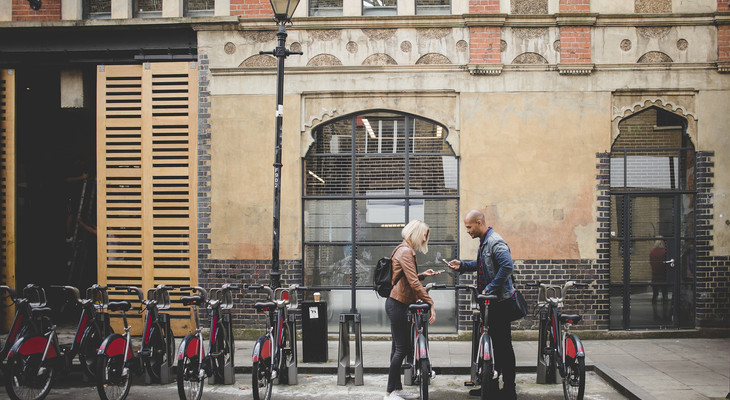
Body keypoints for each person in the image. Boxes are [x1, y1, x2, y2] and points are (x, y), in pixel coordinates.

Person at [444, 209, 517, 400]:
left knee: (503, 347)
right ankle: (489, 387)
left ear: (479, 222)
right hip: (489, 303)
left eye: (469, 226)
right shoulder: (484, 243)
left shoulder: (495, 241)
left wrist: (490, 288)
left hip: (499, 303)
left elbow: (507, 266)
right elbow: (483, 264)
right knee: (491, 346)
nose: (467, 230)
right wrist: (462, 265)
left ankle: (509, 389)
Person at [384, 219, 443, 400]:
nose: (425, 238)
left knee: (397, 349)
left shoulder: (403, 250)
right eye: (424, 234)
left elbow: (407, 278)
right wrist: (430, 302)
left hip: (398, 302)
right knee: (402, 349)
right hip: (397, 304)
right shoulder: (405, 252)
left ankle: (398, 389)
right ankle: (388, 393)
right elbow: (413, 283)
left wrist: (423, 275)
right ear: (416, 233)